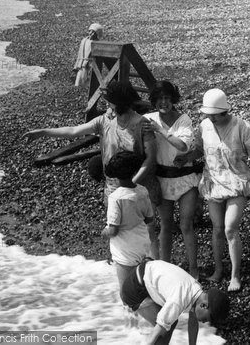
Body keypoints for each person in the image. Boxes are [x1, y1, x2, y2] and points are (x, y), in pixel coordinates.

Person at [24, 80, 160, 258]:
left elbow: (150, 160)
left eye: (109, 101)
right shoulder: (104, 121)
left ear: (119, 102)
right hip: (113, 186)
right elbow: (74, 131)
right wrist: (43, 132)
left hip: (140, 186)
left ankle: (153, 266)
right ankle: (123, 267)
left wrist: (132, 183)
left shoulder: (142, 124)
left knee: (147, 229)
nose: (107, 105)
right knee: (116, 228)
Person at [175, 88, 250, 292]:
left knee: (230, 228)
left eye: (214, 115)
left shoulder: (241, 127)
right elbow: (199, 149)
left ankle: (235, 275)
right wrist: (186, 158)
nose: (210, 118)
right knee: (217, 230)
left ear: (224, 112)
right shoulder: (205, 126)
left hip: (236, 180)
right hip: (213, 181)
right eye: (208, 114)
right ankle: (218, 269)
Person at [143, 81, 200, 278]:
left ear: (172, 99)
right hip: (162, 178)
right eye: (159, 99)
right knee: (166, 225)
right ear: (154, 101)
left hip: (185, 179)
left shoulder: (184, 120)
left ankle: (193, 270)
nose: (163, 103)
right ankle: (165, 269)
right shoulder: (148, 119)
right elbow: (129, 123)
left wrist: (159, 130)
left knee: (186, 225)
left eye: (167, 98)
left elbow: (182, 146)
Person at [121, 259, 229, 345]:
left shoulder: (197, 290)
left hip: (146, 274)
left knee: (169, 322)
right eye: (206, 319)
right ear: (204, 305)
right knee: (166, 328)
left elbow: (193, 320)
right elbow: (152, 337)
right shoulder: (179, 300)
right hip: (134, 289)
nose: (205, 322)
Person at [102, 151, 155, 287]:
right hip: (142, 244)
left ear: (115, 176)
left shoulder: (115, 198)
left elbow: (113, 230)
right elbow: (149, 219)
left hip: (125, 249)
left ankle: (129, 308)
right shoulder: (143, 190)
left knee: (126, 290)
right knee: (143, 285)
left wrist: (104, 232)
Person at [73, 23, 103, 88]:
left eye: (93, 32)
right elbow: (80, 54)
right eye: (90, 31)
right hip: (82, 64)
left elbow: (99, 57)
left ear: (97, 34)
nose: (90, 33)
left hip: (92, 65)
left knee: (90, 81)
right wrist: (77, 64)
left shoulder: (97, 43)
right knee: (79, 80)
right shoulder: (84, 41)